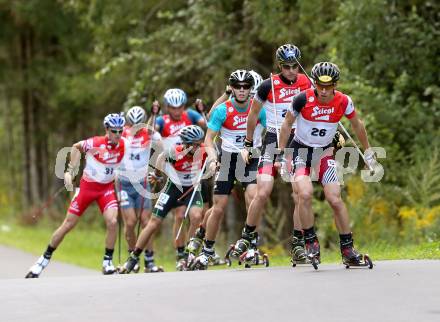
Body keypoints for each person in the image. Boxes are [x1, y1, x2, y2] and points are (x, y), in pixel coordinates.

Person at [278, 62, 374, 265]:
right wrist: (281, 153)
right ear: (314, 83)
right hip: (300, 151)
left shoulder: (344, 101)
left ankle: (348, 250)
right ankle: (311, 243)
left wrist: (368, 152)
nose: (323, 91)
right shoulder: (302, 99)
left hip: (324, 153)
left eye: (328, 86)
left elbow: (357, 125)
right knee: (304, 194)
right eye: (319, 86)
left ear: (335, 85)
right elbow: (286, 124)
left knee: (335, 199)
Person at [235, 44, 313, 264]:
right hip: (272, 139)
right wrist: (248, 143)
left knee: (299, 193)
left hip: (298, 141)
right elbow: (253, 115)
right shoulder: (268, 85)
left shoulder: (306, 83)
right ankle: (247, 235)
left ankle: (298, 245)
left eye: (295, 66)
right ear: (280, 65)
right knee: (263, 190)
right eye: (287, 66)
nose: (291, 70)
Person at [25, 114, 127, 278]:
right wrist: (71, 171)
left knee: (113, 221)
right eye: (114, 131)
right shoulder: (96, 142)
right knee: (68, 224)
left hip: (106, 189)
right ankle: (42, 261)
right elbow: (76, 146)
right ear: (107, 130)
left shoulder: (123, 144)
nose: (118, 134)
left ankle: (107, 262)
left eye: (120, 131)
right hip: (87, 188)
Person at [189, 69, 266, 270]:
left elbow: (273, 130)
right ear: (231, 88)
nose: (242, 91)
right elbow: (208, 138)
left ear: (251, 89)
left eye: (246, 87)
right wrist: (213, 159)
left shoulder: (258, 109)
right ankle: (207, 251)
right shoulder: (223, 110)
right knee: (219, 206)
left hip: (251, 157)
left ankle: (251, 245)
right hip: (228, 159)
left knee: (254, 196)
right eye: (238, 87)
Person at [119, 125, 208, 273]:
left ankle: (189, 255)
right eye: (194, 144)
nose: (198, 147)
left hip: (192, 188)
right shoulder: (175, 152)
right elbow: (160, 159)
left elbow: (212, 158)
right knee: (153, 223)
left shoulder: (204, 150)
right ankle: (133, 258)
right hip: (173, 188)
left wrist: (212, 165)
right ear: (185, 144)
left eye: (199, 143)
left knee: (196, 216)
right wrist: (158, 175)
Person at [155, 89, 207, 268]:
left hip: (192, 168)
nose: (177, 111)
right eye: (173, 107)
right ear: (167, 107)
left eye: (180, 107)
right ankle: (180, 254)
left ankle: (191, 252)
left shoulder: (190, 115)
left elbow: (206, 127)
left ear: (184, 106)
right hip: (172, 167)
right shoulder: (162, 120)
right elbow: (152, 133)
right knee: (179, 215)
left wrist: (202, 111)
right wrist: (153, 117)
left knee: (196, 214)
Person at [117, 106, 163, 273]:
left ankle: (149, 261)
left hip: (143, 182)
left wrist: (154, 114)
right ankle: (132, 258)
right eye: (132, 124)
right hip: (124, 182)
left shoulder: (149, 134)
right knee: (130, 222)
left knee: (146, 221)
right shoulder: (122, 133)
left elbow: (161, 147)